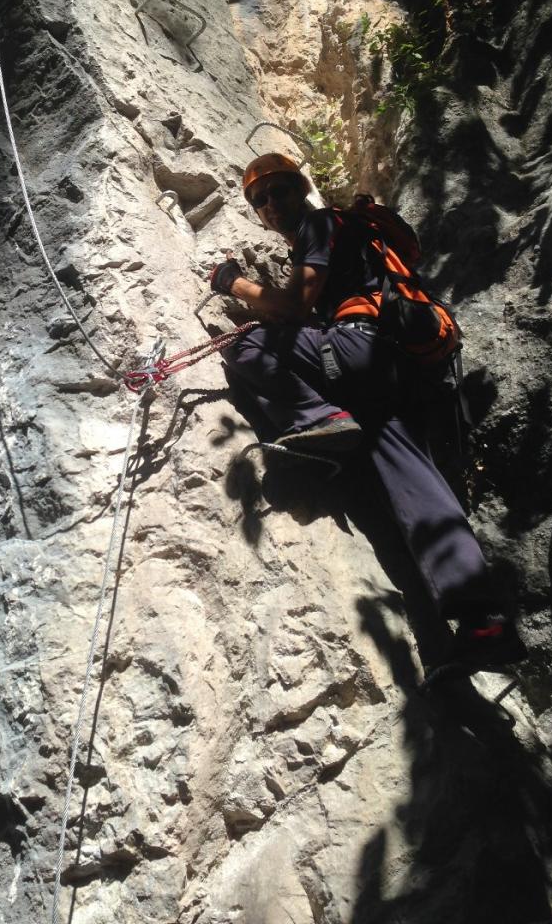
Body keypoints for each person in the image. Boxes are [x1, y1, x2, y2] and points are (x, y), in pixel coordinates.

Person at [210, 152, 525, 675]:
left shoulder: (319, 224)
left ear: (301, 189)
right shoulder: (355, 237)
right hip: (394, 373)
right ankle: (484, 622)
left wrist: (233, 283)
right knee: (417, 487)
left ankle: (320, 419)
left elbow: (295, 306)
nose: (270, 204)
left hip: (356, 350)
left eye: (278, 190)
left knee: (243, 346)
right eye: (259, 200)